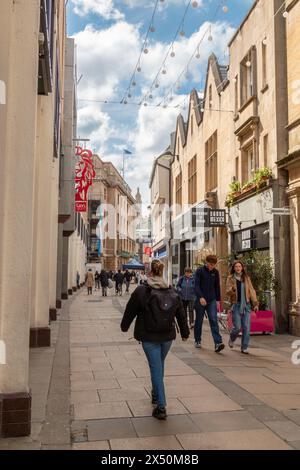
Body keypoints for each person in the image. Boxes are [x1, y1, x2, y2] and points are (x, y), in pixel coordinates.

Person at [120, 260, 189, 420]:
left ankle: (161, 406)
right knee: (158, 366)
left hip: (149, 336)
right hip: (167, 337)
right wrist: (185, 332)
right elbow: (180, 314)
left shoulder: (141, 291)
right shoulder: (172, 291)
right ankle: (156, 392)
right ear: (162, 272)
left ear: (149, 272)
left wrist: (124, 326)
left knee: (156, 368)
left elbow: (130, 310)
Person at [226, 260, 259, 354]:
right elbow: (227, 292)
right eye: (236, 266)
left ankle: (244, 347)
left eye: (239, 266)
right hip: (236, 305)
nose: (238, 268)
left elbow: (251, 291)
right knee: (237, 327)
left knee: (246, 327)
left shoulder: (246, 278)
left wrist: (255, 304)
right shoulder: (230, 278)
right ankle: (232, 339)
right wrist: (232, 290)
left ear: (242, 268)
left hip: (247, 305)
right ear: (233, 268)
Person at [194, 254, 225, 352]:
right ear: (206, 262)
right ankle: (197, 340)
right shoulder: (199, 271)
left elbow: (217, 287)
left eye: (213, 265)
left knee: (213, 320)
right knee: (199, 320)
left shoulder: (215, 272)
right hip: (200, 300)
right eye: (210, 264)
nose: (212, 266)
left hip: (211, 300)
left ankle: (218, 342)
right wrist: (200, 297)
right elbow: (196, 285)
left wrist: (218, 301)